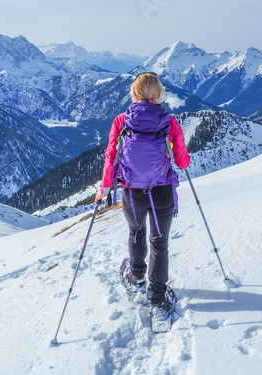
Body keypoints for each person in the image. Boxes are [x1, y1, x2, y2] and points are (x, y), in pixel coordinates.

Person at [95, 72, 190, 322]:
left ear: (135, 94)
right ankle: (157, 300)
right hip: (162, 190)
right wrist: (182, 158)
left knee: (137, 231)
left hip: (133, 191)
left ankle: (136, 274)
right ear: (159, 94)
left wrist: (104, 188)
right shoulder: (170, 123)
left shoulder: (121, 121)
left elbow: (111, 155)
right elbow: (181, 160)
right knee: (159, 242)